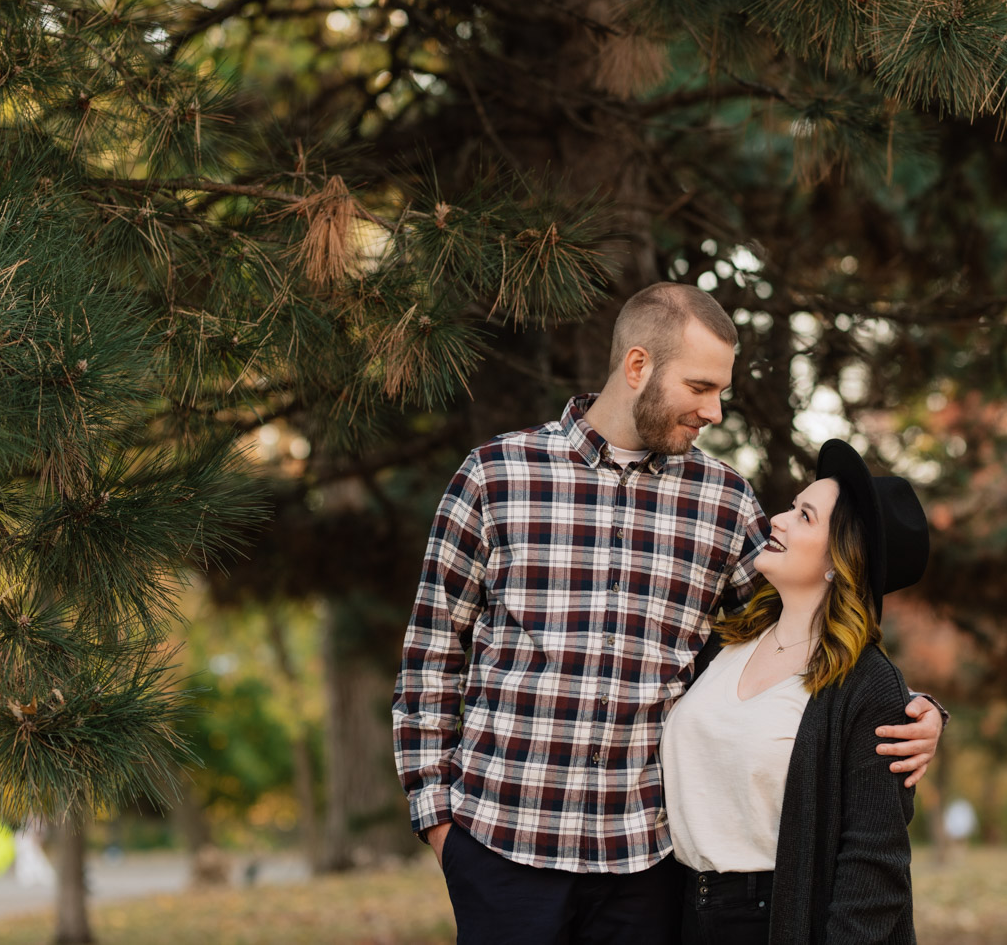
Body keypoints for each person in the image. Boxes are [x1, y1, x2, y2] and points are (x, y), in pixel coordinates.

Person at [392, 282, 944, 944]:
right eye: (701, 386)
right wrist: (442, 830)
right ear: (637, 365)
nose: (714, 410)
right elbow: (430, 660)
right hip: (504, 850)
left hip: (646, 873)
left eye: (721, 392)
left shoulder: (725, 504)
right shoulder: (495, 476)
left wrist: (919, 709)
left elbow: (810, 634)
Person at [663, 439, 926, 944]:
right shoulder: (724, 644)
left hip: (782, 920)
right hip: (687, 911)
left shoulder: (868, 686)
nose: (776, 520)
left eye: (803, 516)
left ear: (839, 559)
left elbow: (874, 869)